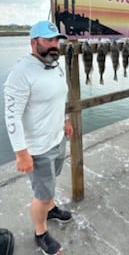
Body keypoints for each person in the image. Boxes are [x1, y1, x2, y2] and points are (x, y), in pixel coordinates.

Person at [4, 20, 74, 255]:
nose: (55, 45)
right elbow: (11, 116)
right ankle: (40, 232)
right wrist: (21, 152)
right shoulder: (20, 74)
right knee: (42, 194)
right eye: (49, 40)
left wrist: (64, 120)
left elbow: (58, 97)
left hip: (56, 139)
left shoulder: (55, 65)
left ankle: (51, 208)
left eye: (57, 40)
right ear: (34, 42)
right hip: (38, 148)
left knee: (51, 183)